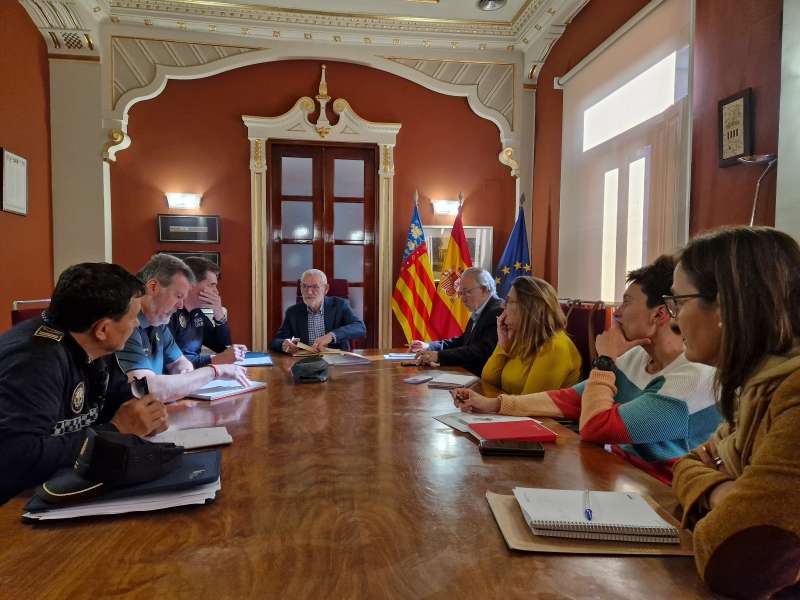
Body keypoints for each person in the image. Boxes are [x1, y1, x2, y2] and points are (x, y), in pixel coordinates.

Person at [453, 256, 720, 483]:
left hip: (662, 499)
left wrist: (604, 361)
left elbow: (596, 427)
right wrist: (494, 405)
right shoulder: (637, 357)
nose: (616, 313)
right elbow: (570, 399)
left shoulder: (692, 379)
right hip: (619, 478)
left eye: (626, 303)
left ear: (659, 314)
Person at [669, 226, 800, 599]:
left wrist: (723, 497)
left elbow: (739, 562)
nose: (675, 320)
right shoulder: (755, 387)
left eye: (679, 302)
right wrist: (724, 493)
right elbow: (685, 464)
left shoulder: (793, 392)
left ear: (725, 304)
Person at [0, 263, 169, 504]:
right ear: (103, 329)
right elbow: (18, 457)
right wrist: (114, 432)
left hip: (62, 488)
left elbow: (119, 402)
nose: (135, 325)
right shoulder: (34, 361)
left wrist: (145, 414)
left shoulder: (97, 347)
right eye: (133, 318)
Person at [116, 254, 250, 403]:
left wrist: (186, 376)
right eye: (178, 296)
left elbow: (180, 363)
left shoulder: (158, 322)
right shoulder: (126, 324)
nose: (180, 305)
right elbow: (147, 389)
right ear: (153, 287)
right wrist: (214, 371)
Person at [482, 276, 582, 394]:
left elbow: (528, 405)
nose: (503, 306)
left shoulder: (555, 346)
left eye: (509, 301)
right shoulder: (519, 337)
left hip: (528, 411)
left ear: (527, 308)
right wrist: (503, 346)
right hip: (507, 411)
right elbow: (487, 382)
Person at [411, 267, 504, 376]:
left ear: (485, 289)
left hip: (482, 380)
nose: (463, 298)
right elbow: (464, 340)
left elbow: (481, 351)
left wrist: (438, 356)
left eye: (467, 292)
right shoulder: (480, 309)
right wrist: (429, 346)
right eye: (461, 293)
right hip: (468, 374)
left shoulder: (497, 311)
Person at [168, 256, 247, 368]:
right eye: (212, 285)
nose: (216, 291)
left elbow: (222, 348)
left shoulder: (197, 313)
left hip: (194, 375)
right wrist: (214, 359)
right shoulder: (168, 313)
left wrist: (219, 313)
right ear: (191, 283)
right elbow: (173, 362)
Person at [270, 269, 366, 354]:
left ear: (326, 289)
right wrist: (283, 344)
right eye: (305, 286)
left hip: (336, 360)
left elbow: (360, 327)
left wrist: (331, 336)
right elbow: (276, 341)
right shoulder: (292, 312)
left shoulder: (340, 305)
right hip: (304, 362)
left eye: (315, 287)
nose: (309, 292)